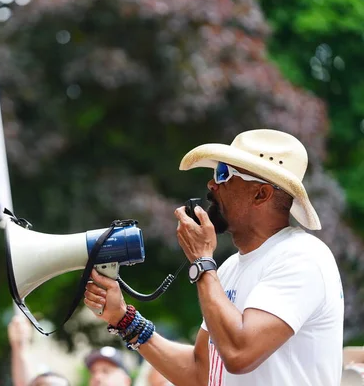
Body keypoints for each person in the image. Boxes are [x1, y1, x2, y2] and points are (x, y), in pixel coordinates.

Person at [84, 129, 344, 385]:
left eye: (223, 174)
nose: (212, 184)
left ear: (261, 194)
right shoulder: (230, 267)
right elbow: (200, 371)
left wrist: (202, 262)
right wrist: (123, 319)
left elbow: (240, 354)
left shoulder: (302, 256)